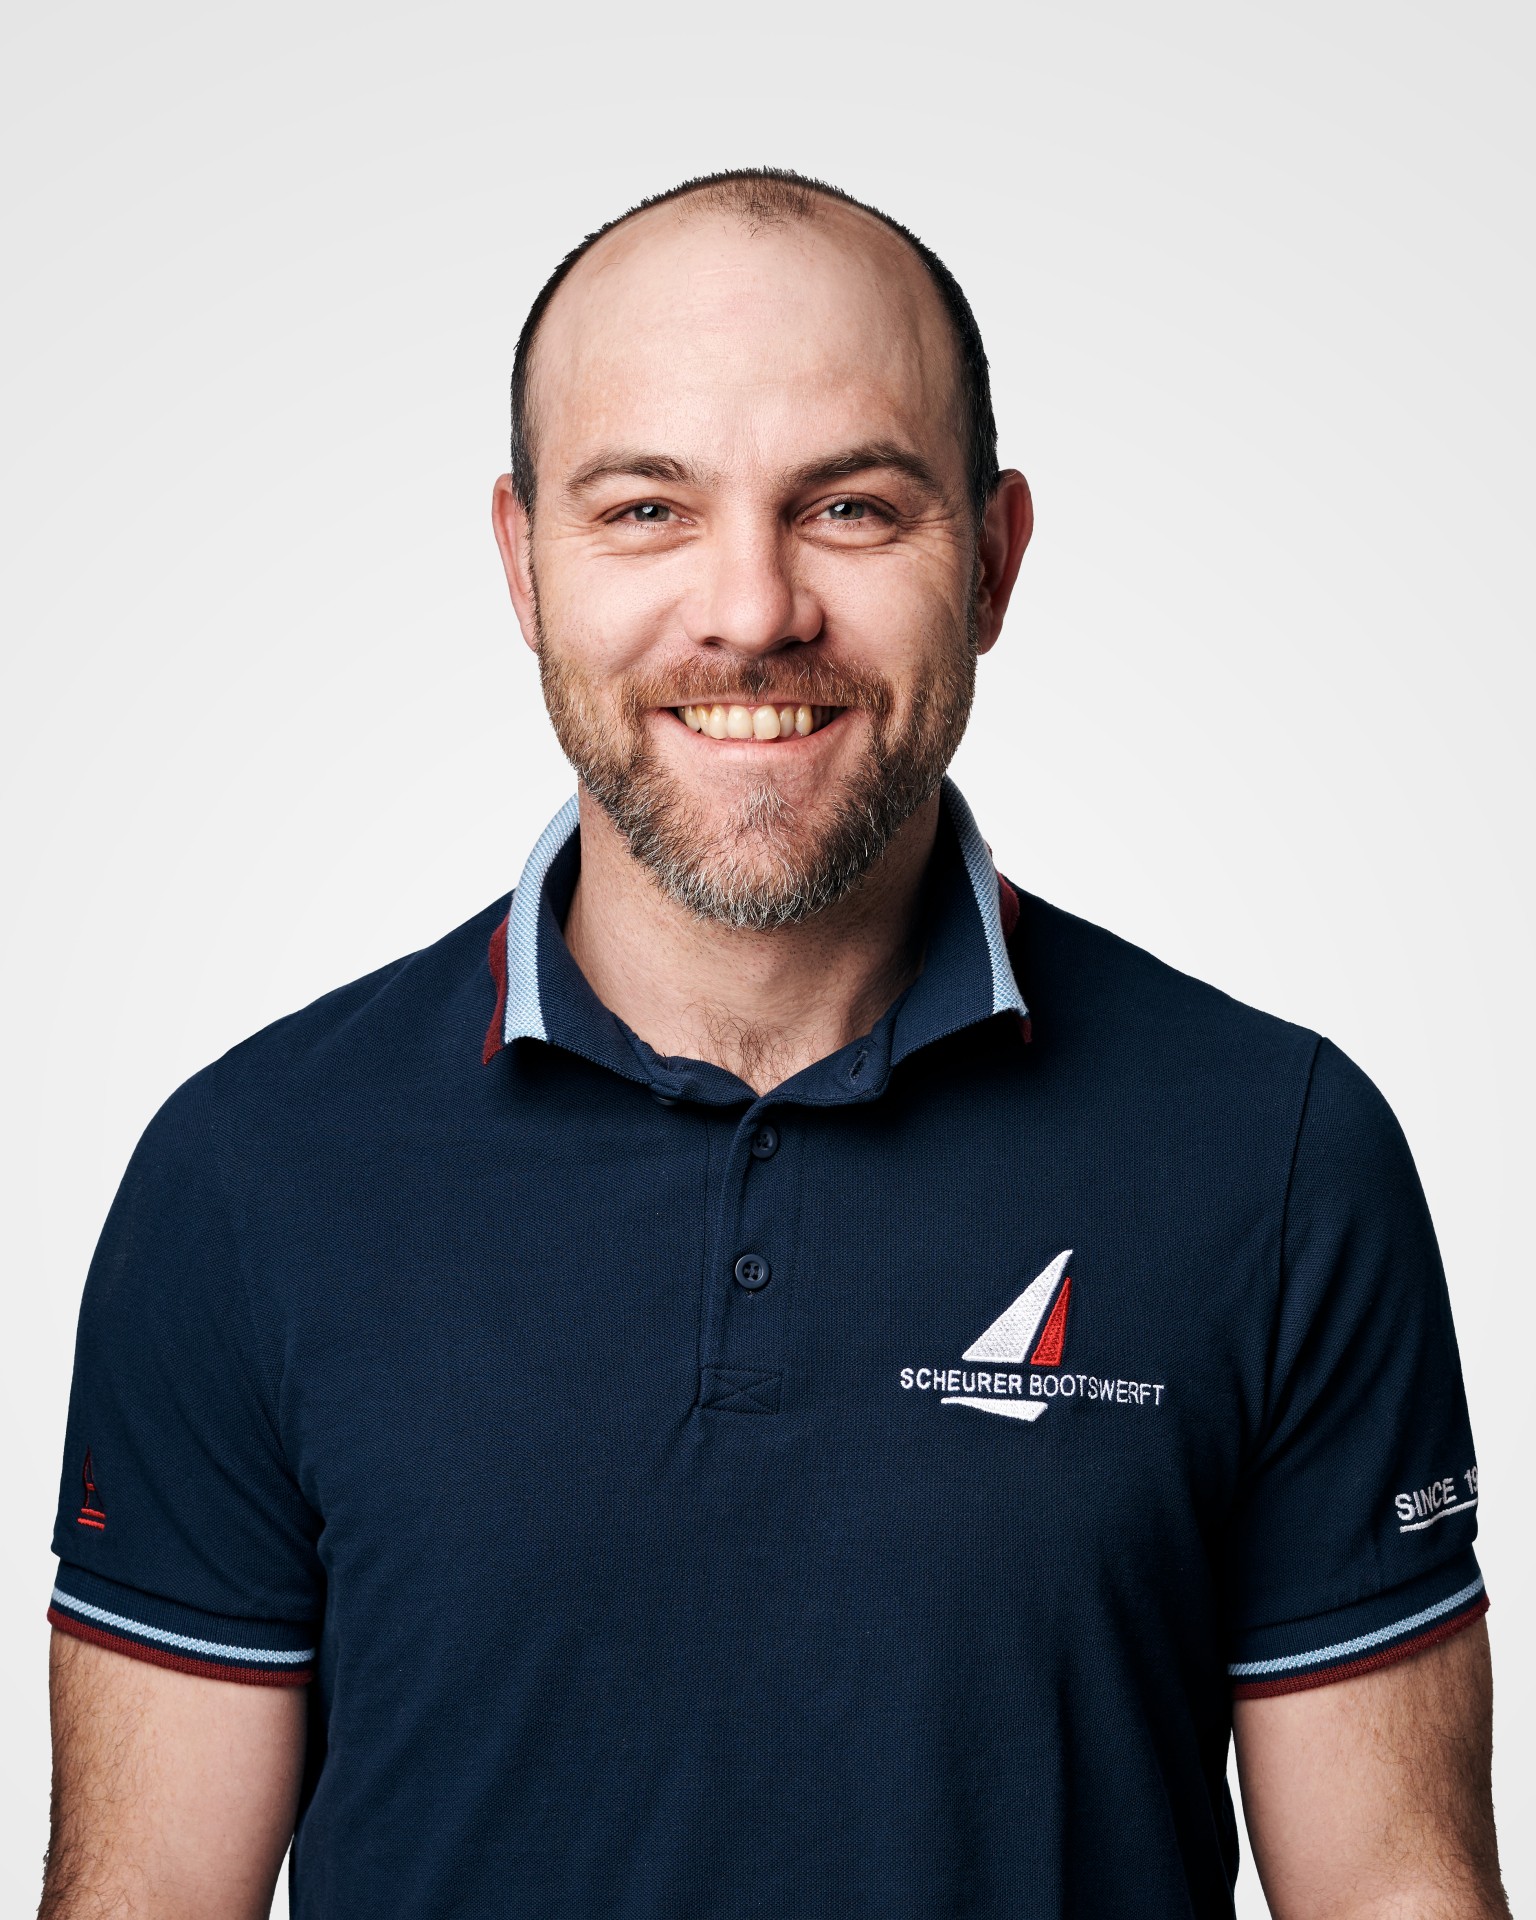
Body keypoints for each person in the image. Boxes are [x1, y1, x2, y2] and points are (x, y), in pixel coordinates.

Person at [40, 168, 1508, 1919]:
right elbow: (141, 1896)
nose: (751, 610)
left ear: (996, 560)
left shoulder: (1278, 1155)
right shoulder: (249, 1176)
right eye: (647, 508)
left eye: (853, 507)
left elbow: (1398, 1889)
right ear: (523, 562)